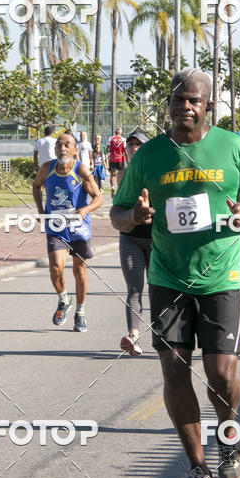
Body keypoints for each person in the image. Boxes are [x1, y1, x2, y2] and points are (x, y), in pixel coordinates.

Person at [111, 68, 240, 478]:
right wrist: (135, 219)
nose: (185, 106)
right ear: (169, 104)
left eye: (194, 100)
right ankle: (196, 469)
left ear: (208, 107)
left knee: (221, 375)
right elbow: (118, 212)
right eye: (179, 99)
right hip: (168, 278)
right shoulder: (148, 156)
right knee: (174, 372)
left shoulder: (233, 147)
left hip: (221, 278)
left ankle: (230, 438)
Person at [32, 132, 103, 332]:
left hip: (79, 227)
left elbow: (98, 198)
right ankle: (64, 299)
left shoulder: (82, 170)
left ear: (74, 150)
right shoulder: (47, 168)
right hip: (56, 226)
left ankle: (80, 311)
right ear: (55, 149)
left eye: (67, 145)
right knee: (56, 267)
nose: (62, 148)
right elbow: (36, 186)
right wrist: (40, 210)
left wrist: (85, 210)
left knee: (79, 269)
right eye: (59, 145)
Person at [117, 128, 153, 356]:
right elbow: (119, 208)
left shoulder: (157, 172)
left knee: (159, 289)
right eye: (130, 144)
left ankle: (165, 336)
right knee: (134, 289)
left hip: (156, 239)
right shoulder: (122, 175)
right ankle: (133, 336)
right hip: (130, 237)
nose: (134, 148)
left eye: (139, 144)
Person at [108, 127, 127, 197]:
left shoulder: (110, 139)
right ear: (121, 132)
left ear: (115, 132)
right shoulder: (123, 139)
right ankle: (120, 189)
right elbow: (125, 150)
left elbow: (108, 149)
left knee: (112, 175)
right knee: (121, 174)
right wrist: (127, 161)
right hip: (120, 159)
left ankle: (113, 187)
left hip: (112, 159)